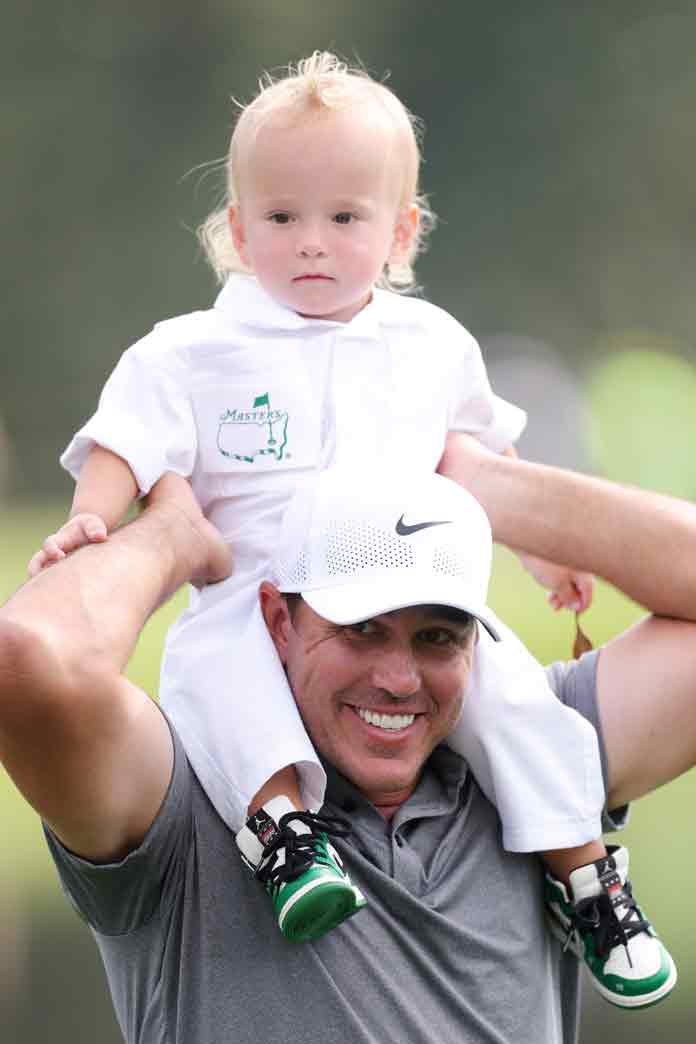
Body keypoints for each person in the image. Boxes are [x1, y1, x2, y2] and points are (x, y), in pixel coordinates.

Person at [23, 51, 665, 1004]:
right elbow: (126, 437)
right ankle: (283, 837)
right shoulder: (194, 352)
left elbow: (483, 456)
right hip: (254, 587)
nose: (311, 243)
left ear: (400, 231)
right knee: (215, 678)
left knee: (518, 703)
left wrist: (541, 548)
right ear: (239, 230)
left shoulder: (429, 344)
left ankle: (582, 871)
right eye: (281, 218)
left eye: (345, 218)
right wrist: (94, 515)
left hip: (404, 575)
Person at [2, 457, 695, 1043]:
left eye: (438, 636)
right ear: (278, 620)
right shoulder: (191, 803)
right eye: (362, 629)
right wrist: (172, 538)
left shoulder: (534, 761)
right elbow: (27, 661)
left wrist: (487, 485)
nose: (398, 681)